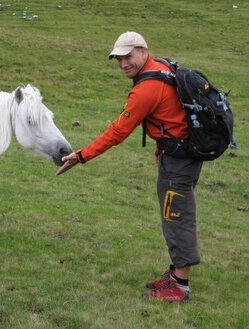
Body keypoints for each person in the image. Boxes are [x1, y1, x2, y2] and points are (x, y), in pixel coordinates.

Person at [56, 31, 204, 303]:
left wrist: (81, 155)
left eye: (127, 56)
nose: (123, 64)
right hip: (182, 154)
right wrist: (161, 146)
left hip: (179, 161)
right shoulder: (162, 67)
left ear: (143, 50)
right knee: (175, 213)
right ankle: (175, 275)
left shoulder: (146, 88)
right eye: (118, 59)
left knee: (176, 217)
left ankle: (180, 286)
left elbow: (117, 132)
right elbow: (172, 113)